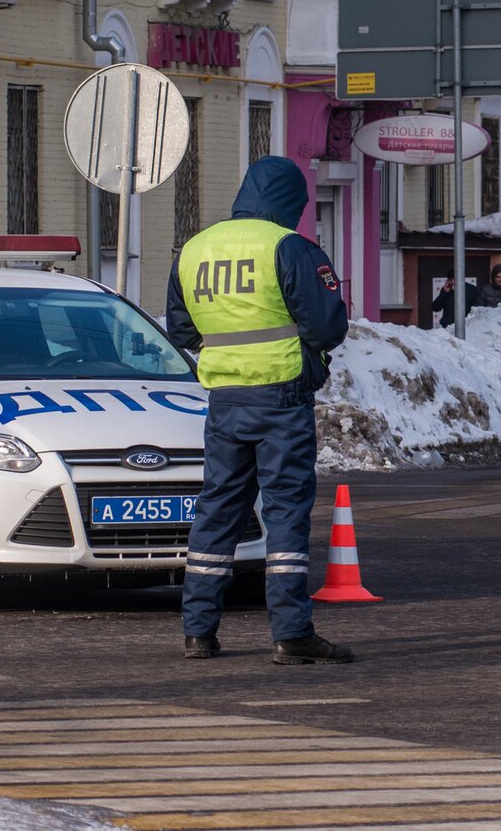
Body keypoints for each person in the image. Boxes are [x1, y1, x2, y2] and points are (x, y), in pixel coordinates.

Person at [166, 156, 353, 666]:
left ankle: (198, 632)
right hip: (282, 398)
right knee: (286, 513)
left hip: (225, 401)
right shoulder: (288, 247)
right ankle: (291, 633)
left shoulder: (195, 250)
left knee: (217, 510)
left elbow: (181, 331)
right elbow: (327, 325)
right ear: (292, 202)